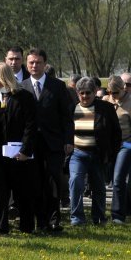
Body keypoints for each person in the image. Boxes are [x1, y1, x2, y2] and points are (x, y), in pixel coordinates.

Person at [0, 62, 36, 233]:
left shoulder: (24, 97)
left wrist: (25, 150)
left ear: (2, 77)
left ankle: (26, 225)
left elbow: (30, 126)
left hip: (17, 151)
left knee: (22, 189)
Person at [22, 48, 74, 233]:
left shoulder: (57, 86)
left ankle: (54, 221)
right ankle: (40, 221)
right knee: (35, 183)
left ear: (45, 64)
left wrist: (68, 140)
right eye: (31, 63)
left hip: (53, 143)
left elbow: (66, 117)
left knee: (53, 181)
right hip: (31, 145)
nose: (34, 66)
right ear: (27, 65)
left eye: (38, 62)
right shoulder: (22, 86)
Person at [68, 77, 121, 226]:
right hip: (78, 154)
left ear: (94, 92)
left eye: (88, 93)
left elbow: (116, 134)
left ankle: (98, 218)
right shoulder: (71, 109)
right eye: (81, 93)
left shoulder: (106, 109)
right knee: (76, 183)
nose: (85, 96)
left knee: (98, 188)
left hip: (98, 154)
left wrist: (111, 154)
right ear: (77, 93)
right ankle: (77, 218)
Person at [104, 75, 131, 223]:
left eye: (116, 93)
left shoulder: (129, 103)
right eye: (110, 92)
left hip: (125, 145)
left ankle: (117, 215)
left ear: (123, 89)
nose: (113, 96)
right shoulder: (106, 101)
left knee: (118, 179)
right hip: (109, 146)